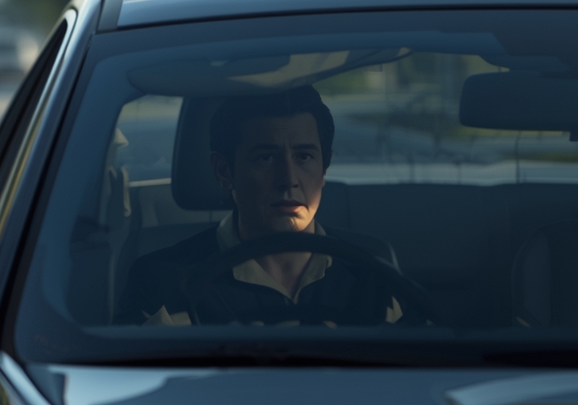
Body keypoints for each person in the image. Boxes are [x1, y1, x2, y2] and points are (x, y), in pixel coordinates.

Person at [117, 86, 411, 327]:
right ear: (224, 171)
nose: (288, 180)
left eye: (304, 157)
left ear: (324, 168)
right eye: (266, 158)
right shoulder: (165, 282)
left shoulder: (371, 272)